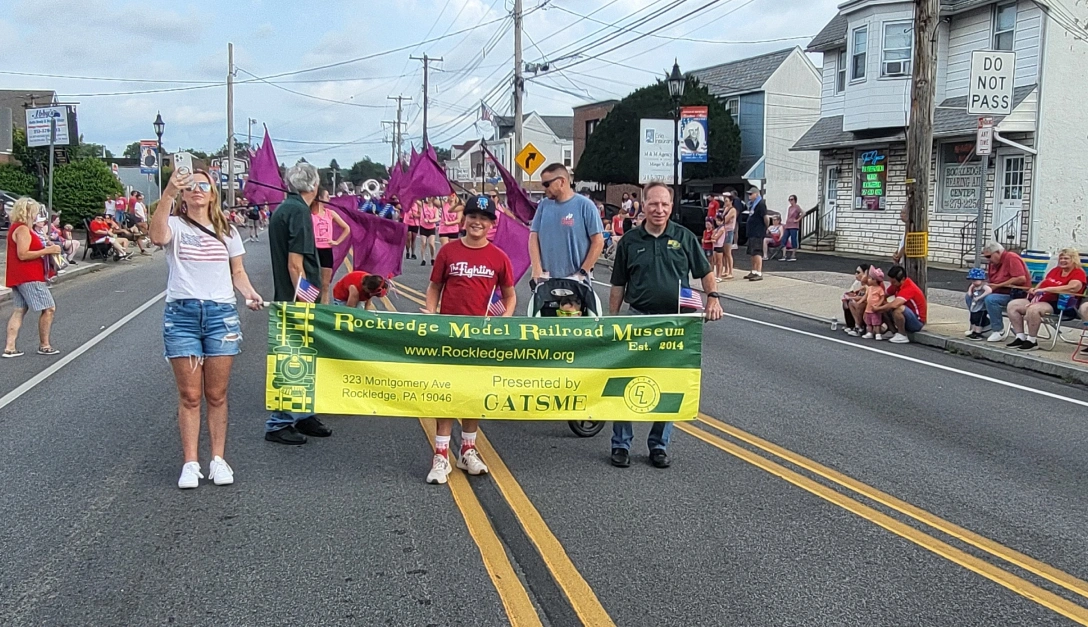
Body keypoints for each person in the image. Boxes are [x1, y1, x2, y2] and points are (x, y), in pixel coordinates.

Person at [150, 168, 263, 489]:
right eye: (191, 186)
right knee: (189, 395)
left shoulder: (227, 230)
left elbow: (237, 271)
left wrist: (249, 293)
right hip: (182, 315)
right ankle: (190, 463)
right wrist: (168, 193)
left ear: (213, 194)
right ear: (183, 195)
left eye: (204, 185)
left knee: (216, 394)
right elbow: (156, 237)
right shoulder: (174, 225)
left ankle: (218, 459)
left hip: (220, 315)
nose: (197, 190)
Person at [608, 182, 723, 469]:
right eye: (653, 204)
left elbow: (705, 272)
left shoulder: (684, 237)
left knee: (668, 383)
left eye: (664, 204)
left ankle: (659, 446)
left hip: (674, 323)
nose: (659, 209)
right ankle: (621, 444)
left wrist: (713, 298)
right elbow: (618, 284)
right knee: (625, 380)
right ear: (643, 205)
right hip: (638, 319)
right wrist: (612, 321)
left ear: (671, 207)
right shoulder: (630, 241)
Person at [422, 195, 516, 484]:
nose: (477, 222)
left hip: (480, 337)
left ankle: (467, 450)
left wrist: (505, 318)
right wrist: (430, 312)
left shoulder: (498, 257)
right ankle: (441, 455)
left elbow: (510, 295)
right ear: (464, 220)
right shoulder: (448, 251)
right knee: (447, 392)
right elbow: (434, 287)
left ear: (491, 224)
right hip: (449, 335)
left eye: (484, 218)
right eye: (473, 216)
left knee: (473, 392)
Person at [266, 162, 332, 445]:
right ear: (314, 186)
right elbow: (296, 264)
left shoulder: (285, 208)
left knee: (304, 360)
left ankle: (304, 414)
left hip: (289, 295)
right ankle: (279, 422)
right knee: (293, 360)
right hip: (295, 299)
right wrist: (303, 303)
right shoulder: (299, 212)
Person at [3, 198, 62, 358]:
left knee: (19, 310)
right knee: (49, 308)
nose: (37, 215)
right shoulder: (23, 229)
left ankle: (10, 347)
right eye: (35, 211)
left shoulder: (16, 227)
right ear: (28, 212)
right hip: (29, 275)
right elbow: (23, 254)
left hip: (18, 275)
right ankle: (44, 345)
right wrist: (47, 251)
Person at [529, 163, 604, 284]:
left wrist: (582, 272)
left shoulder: (585, 206)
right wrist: (536, 268)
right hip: (546, 281)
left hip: (575, 282)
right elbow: (533, 236)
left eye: (547, 184)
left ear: (561, 182)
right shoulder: (543, 205)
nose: (544, 188)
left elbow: (598, 241)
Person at [1006, 247, 1086, 351]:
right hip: (1041, 298)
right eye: (1061, 258)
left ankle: (1032, 341)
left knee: (1034, 309)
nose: (1062, 260)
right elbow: (1044, 281)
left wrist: (1048, 289)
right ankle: (1020, 337)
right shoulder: (1056, 270)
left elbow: (1073, 287)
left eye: (1066, 258)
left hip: (1061, 303)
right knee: (1013, 305)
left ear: (1074, 259)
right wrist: (1035, 289)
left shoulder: (1078, 273)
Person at [980, 242, 1032, 342]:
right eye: (986, 257)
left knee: (991, 299)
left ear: (998, 252)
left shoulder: (1011, 258)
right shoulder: (993, 263)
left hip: (1016, 294)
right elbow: (993, 281)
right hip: (999, 291)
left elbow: (1020, 278)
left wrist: (999, 285)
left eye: (989, 256)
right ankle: (981, 325)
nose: (988, 259)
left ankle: (999, 331)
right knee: (972, 295)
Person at [311, 188, 351, 304]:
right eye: (327, 196)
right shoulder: (310, 214)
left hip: (326, 250)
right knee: (311, 284)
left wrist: (337, 241)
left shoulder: (330, 213)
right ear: (320, 198)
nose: (329, 199)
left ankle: (324, 309)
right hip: (313, 250)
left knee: (325, 285)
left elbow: (347, 228)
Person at [874, 265, 927, 344]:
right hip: (907, 316)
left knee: (898, 308)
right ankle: (892, 330)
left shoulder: (909, 287)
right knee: (884, 306)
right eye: (891, 282)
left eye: (894, 282)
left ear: (902, 279)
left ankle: (902, 334)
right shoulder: (896, 285)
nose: (892, 284)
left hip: (917, 322)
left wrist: (877, 308)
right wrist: (878, 303)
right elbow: (884, 295)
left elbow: (895, 304)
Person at [744, 186, 768, 281]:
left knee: (757, 252)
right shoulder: (752, 204)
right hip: (752, 232)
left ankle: (759, 272)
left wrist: (766, 227)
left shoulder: (761, 204)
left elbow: (765, 217)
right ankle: (753, 271)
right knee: (752, 252)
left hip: (758, 232)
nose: (749, 196)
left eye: (751, 194)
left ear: (757, 194)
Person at [843, 263, 871, 335]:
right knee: (850, 302)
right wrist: (848, 298)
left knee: (858, 304)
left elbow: (866, 296)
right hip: (862, 301)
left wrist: (854, 298)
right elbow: (852, 293)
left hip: (869, 303)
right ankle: (854, 325)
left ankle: (859, 326)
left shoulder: (870, 283)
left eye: (858, 272)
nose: (856, 274)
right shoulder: (857, 283)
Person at [965, 267, 993, 340]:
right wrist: (970, 292)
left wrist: (980, 297)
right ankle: (973, 330)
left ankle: (978, 332)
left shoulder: (984, 286)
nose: (973, 282)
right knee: (973, 319)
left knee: (979, 320)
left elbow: (989, 291)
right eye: (972, 280)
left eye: (975, 280)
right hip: (975, 305)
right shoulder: (974, 285)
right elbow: (970, 287)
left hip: (981, 307)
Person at [862, 267, 887, 340]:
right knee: (869, 322)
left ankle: (878, 333)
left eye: (870, 278)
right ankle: (869, 332)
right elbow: (866, 296)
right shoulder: (869, 288)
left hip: (875, 309)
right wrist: (860, 301)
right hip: (868, 308)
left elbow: (882, 297)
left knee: (876, 322)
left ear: (875, 280)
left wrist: (878, 305)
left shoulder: (879, 289)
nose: (868, 279)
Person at [418, 198, 440, 266]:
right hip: (423, 227)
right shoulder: (423, 205)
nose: (429, 199)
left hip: (431, 228)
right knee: (423, 243)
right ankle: (423, 259)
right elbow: (416, 201)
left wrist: (430, 221)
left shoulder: (435, 209)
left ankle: (433, 258)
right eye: (428, 198)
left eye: (431, 198)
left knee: (431, 244)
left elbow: (437, 218)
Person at [719, 194, 737, 279]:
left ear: (731, 202)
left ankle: (730, 271)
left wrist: (720, 219)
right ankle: (726, 270)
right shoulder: (725, 209)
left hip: (729, 231)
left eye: (726, 201)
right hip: (724, 231)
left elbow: (725, 219)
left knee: (728, 252)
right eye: (724, 201)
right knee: (724, 252)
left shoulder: (732, 210)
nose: (725, 203)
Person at [782, 194, 802, 262]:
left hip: (794, 226)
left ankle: (793, 255)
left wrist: (797, 220)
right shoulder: (789, 208)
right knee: (784, 239)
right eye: (789, 200)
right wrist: (786, 224)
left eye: (792, 199)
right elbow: (788, 216)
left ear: (795, 200)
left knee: (793, 240)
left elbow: (803, 213)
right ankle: (784, 255)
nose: (790, 201)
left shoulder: (797, 207)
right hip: (788, 225)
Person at [711, 213, 728, 281]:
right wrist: (713, 236)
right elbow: (712, 236)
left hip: (719, 246)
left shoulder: (722, 229)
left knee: (719, 262)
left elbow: (716, 237)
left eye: (719, 220)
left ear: (722, 221)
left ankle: (719, 276)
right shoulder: (717, 229)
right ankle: (717, 275)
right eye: (717, 220)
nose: (717, 222)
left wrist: (714, 236)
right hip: (715, 246)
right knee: (716, 262)